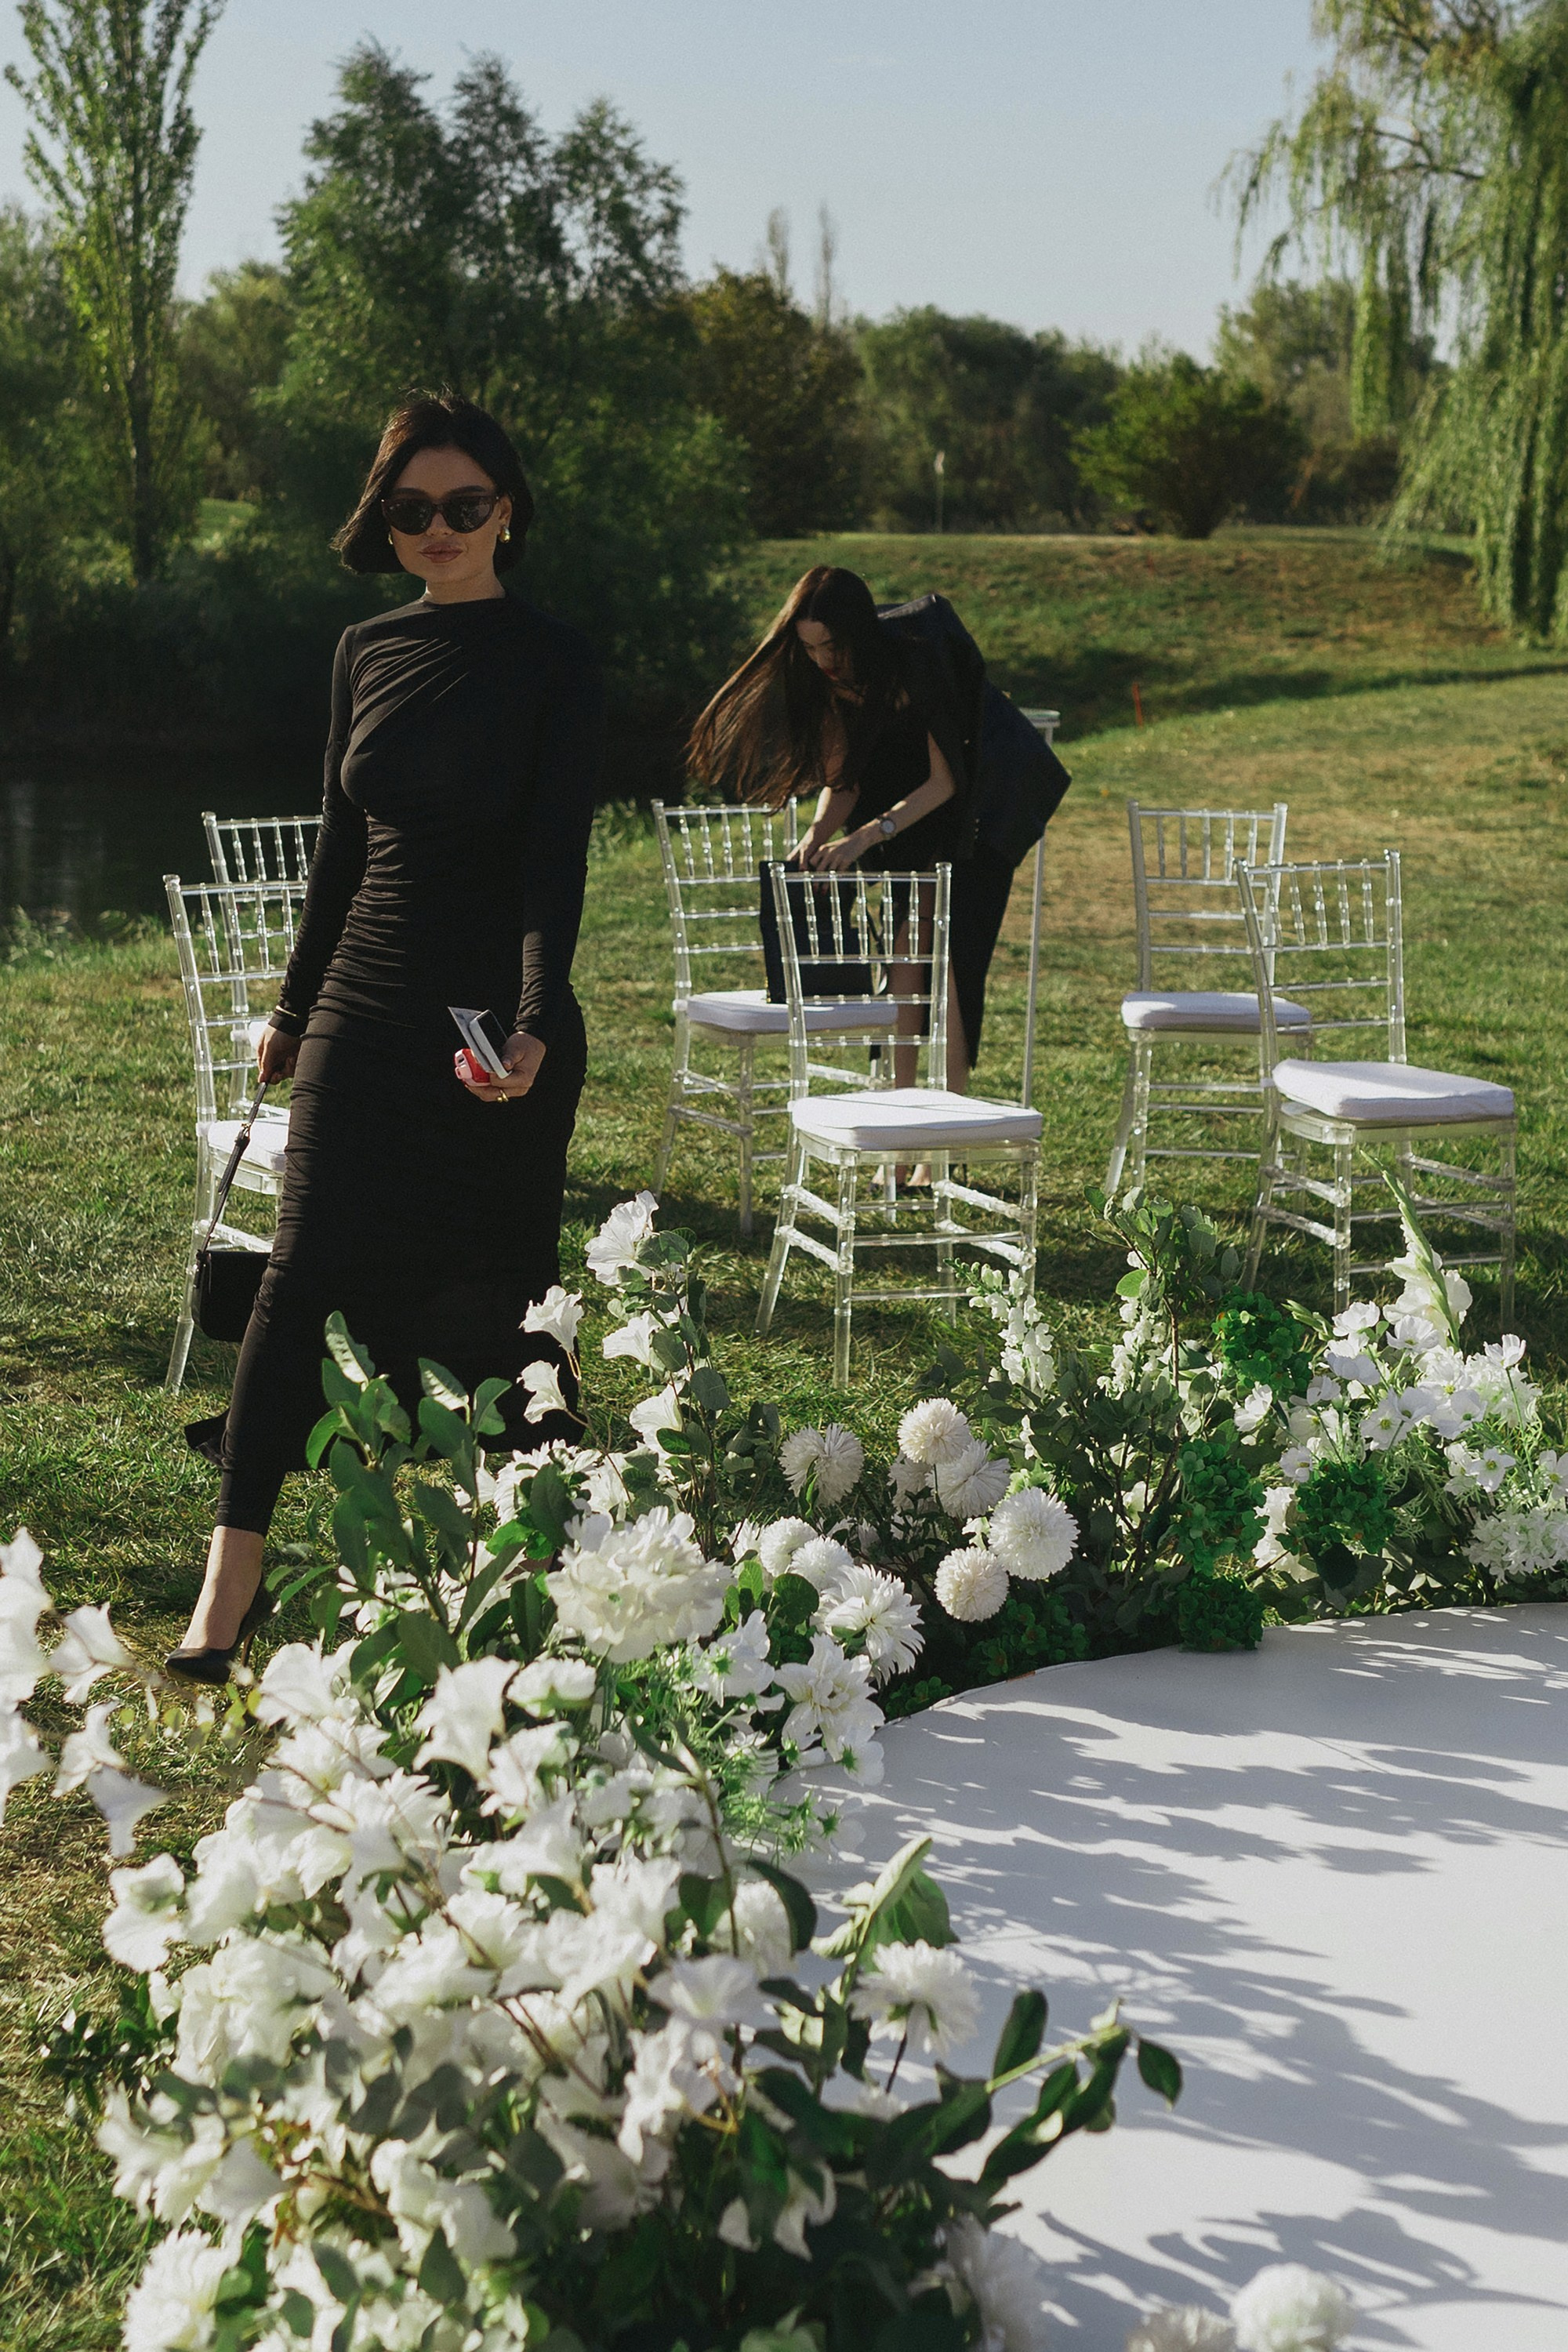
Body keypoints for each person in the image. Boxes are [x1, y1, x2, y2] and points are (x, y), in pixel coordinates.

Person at [167, 393, 604, 1683]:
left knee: (514, 1292)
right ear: (388, 520)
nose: (439, 530)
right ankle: (223, 1599)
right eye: (412, 510)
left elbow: (553, 864)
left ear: (507, 511)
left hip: (492, 1022)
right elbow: (339, 855)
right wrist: (296, 1011)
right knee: (299, 1273)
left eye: (465, 506)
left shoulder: (553, 661)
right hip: (367, 1000)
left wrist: (531, 1024)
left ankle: (541, 1578)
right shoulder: (365, 651)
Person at [688, 564, 975, 1091]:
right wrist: (816, 835)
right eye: (810, 649)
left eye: (832, 648)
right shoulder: (827, 685)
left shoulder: (915, 664)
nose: (823, 662)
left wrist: (866, 835)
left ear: (859, 635)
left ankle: (941, 1123)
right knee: (900, 960)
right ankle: (903, 1110)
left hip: (946, 817)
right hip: (884, 816)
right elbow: (843, 783)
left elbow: (944, 784)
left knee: (929, 955)